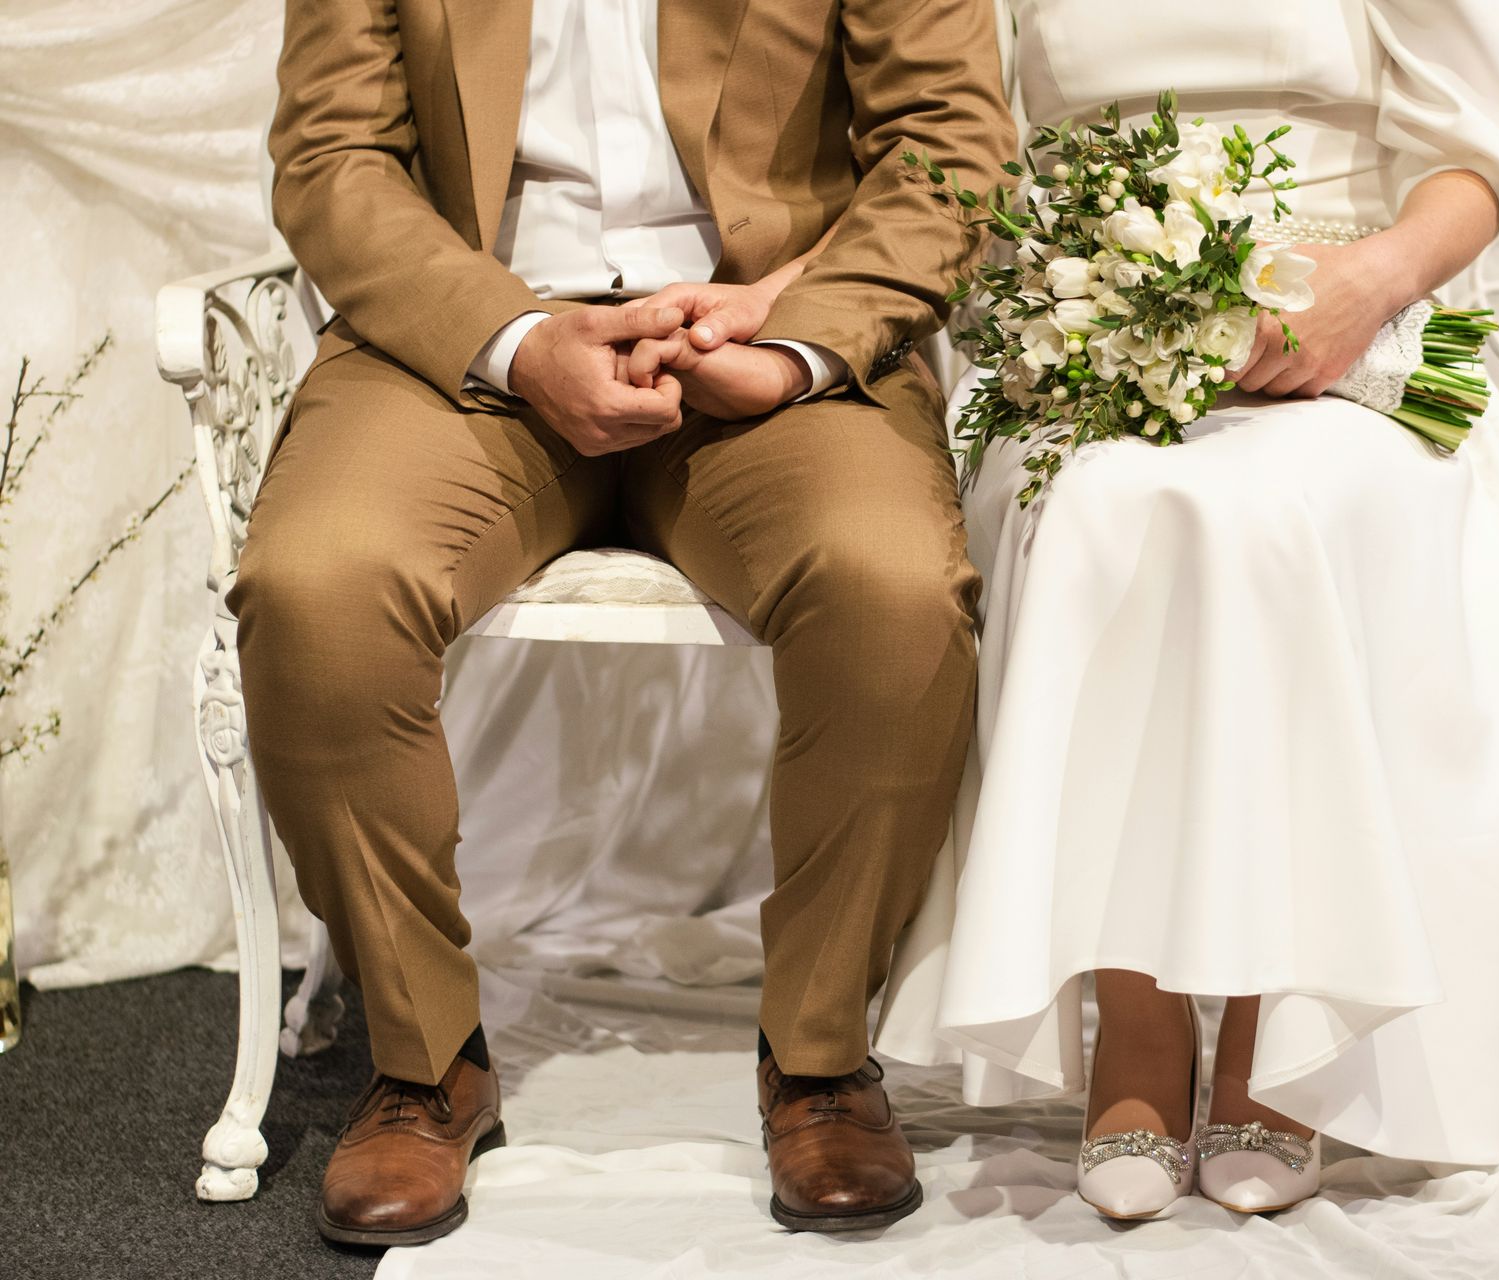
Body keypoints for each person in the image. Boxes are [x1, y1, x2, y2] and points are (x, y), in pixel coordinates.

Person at [875, 0, 1499, 1221]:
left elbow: (1481, 159)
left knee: (1266, 521)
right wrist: (1077, 299)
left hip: (1356, 336)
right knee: (1108, 509)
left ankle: (1267, 1030)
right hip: (1097, 334)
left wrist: (1362, 287)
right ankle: (1136, 1022)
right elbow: (965, 137)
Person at [237, 0, 1014, 1245]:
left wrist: (795, 342)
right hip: (467, 347)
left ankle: (818, 1057)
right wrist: (518, 336)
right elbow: (334, 156)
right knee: (319, 588)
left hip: (763, 335)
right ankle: (426, 1058)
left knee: (889, 589)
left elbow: (949, 146)